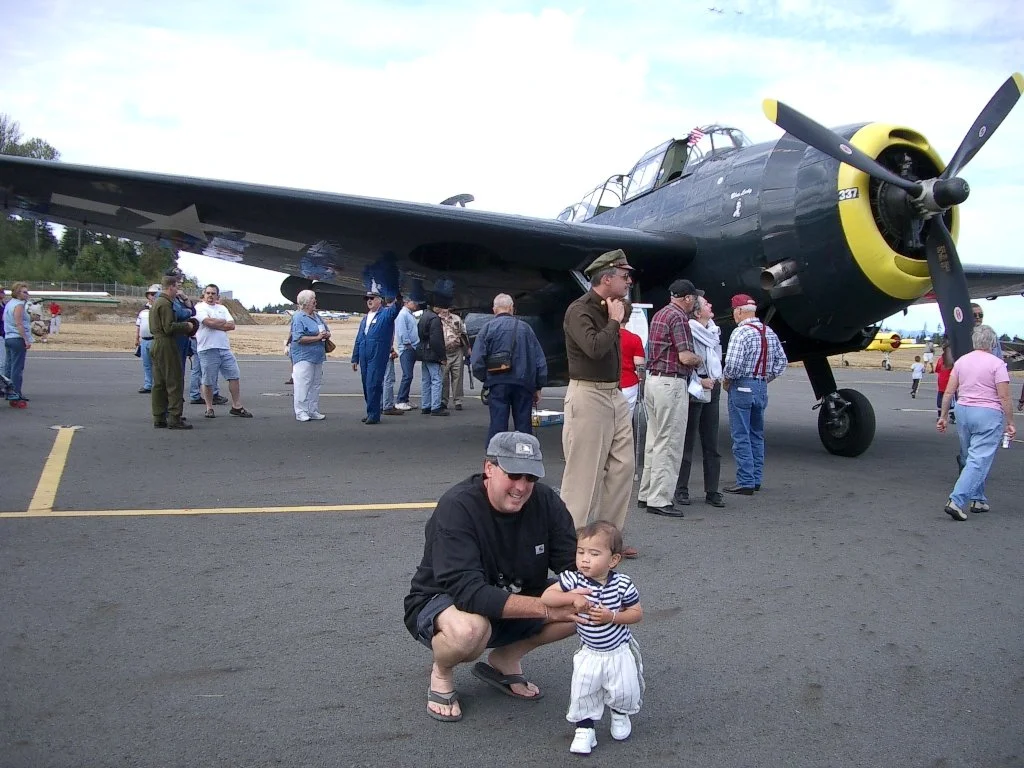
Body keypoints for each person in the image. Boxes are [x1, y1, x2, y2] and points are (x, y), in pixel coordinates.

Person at [403, 431, 582, 722]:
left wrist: (606, 591)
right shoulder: (458, 507)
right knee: (470, 630)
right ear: (489, 467)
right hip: (445, 602)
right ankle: (442, 672)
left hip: (513, 593)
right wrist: (548, 608)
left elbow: (572, 564)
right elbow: (469, 593)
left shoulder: (546, 501)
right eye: (513, 475)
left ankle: (506, 659)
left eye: (530, 477)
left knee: (589, 607)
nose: (521, 487)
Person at [542, 520, 644, 755]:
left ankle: (620, 713)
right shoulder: (573, 579)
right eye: (581, 552)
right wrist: (572, 598)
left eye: (594, 554)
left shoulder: (622, 584)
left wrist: (612, 616)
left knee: (624, 689)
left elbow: (636, 613)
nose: (585, 559)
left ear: (613, 560)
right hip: (590, 652)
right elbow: (547, 597)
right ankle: (585, 729)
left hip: (618, 651)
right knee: (584, 690)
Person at [560, 249, 636, 552]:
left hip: (614, 394)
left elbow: (625, 310)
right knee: (584, 473)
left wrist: (616, 312)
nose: (629, 281)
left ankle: (607, 539)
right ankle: (569, 541)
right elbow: (594, 348)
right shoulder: (579, 310)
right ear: (606, 278)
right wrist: (614, 321)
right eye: (624, 276)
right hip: (588, 394)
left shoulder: (611, 306)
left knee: (623, 467)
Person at [937, 324, 1015, 520]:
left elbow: (949, 391)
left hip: (963, 410)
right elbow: (1004, 396)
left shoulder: (961, 362)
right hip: (987, 413)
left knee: (969, 455)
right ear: (993, 343)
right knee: (979, 459)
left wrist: (943, 415)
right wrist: (1010, 421)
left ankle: (978, 498)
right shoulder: (997, 364)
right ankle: (956, 500)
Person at [638, 279, 702, 517]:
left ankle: (646, 493)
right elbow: (685, 356)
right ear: (687, 298)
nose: (695, 302)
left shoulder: (660, 314)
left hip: (653, 381)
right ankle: (660, 498)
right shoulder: (679, 318)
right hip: (671, 383)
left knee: (654, 441)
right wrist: (700, 359)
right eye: (694, 298)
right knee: (670, 442)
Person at [721, 293, 788, 494]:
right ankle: (756, 478)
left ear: (740, 311)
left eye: (734, 311)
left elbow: (733, 365)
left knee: (741, 435)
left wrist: (727, 380)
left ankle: (745, 480)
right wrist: (765, 378)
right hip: (760, 386)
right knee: (756, 435)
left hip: (742, 386)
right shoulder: (768, 332)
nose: (734, 315)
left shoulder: (740, 333)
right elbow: (781, 362)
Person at [470, 294, 548, 442]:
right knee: (524, 426)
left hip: (497, 382)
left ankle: (496, 453)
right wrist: (538, 386)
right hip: (523, 383)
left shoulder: (487, 328)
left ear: (494, 309)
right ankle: (523, 452)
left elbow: (477, 360)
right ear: (511, 308)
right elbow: (539, 359)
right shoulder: (525, 328)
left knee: (498, 425)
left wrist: (486, 379)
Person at [675, 295, 725, 508]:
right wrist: (699, 381)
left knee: (711, 441)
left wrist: (716, 379)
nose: (711, 305)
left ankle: (712, 490)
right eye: (706, 304)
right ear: (697, 312)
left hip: (713, 386)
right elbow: (684, 361)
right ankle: (681, 489)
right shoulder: (689, 331)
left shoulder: (713, 331)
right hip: (695, 386)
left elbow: (717, 358)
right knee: (687, 441)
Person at [194, 284, 252, 419]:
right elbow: (207, 322)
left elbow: (231, 325)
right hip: (207, 348)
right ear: (204, 295)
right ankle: (209, 407)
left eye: (213, 293)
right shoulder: (199, 308)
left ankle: (236, 406)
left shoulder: (222, 308)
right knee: (208, 379)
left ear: (217, 296)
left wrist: (215, 323)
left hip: (224, 348)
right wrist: (220, 323)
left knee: (234, 375)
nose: (210, 295)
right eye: (208, 293)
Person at [150, 275, 199, 429]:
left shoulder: (157, 302)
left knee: (159, 383)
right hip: (166, 343)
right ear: (171, 287)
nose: (177, 290)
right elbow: (168, 327)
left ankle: (159, 416)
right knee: (174, 381)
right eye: (176, 287)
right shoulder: (166, 303)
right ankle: (174, 417)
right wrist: (187, 326)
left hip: (156, 342)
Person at [351, 289, 402, 424]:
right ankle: (371, 411)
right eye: (367, 299)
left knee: (373, 384)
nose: (369, 301)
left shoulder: (385, 314)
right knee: (366, 384)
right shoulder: (365, 318)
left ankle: (374, 415)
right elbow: (359, 338)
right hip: (364, 353)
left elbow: (396, 308)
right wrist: (355, 358)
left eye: (372, 298)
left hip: (377, 353)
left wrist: (397, 294)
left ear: (380, 300)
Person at [289, 290, 330, 422]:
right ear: (306, 303)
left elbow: (327, 330)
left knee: (315, 384)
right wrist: (317, 337)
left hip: (318, 356)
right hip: (304, 356)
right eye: (313, 299)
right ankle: (301, 411)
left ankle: (313, 410)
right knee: (303, 384)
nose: (315, 302)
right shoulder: (298, 317)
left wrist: (326, 334)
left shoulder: (317, 316)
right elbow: (298, 338)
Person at [3, 282, 32, 407]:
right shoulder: (19, 305)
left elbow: (5, 319)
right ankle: (15, 393)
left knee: (9, 366)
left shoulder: (9, 303)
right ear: (17, 293)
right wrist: (26, 339)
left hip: (8, 337)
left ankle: (7, 390)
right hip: (17, 338)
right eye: (24, 292)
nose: (27, 294)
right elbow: (19, 323)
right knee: (17, 368)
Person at [437, 297, 469, 412]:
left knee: (458, 377)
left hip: (457, 351)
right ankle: (443, 401)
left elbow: (463, 333)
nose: (445, 309)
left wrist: (467, 348)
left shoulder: (456, 318)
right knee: (443, 378)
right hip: (444, 353)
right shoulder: (436, 320)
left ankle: (458, 401)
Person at [416, 300, 447, 416]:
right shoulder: (435, 319)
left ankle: (426, 405)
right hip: (432, 353)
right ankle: (435, 406)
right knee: (436, 380)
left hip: (423, 351)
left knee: (426, 380)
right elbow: (436, 340)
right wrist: (442, 356)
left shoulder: (424, 317)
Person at [618, 300, 645, 414]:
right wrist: (641, 382)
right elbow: (640, 366)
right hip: (629, 384)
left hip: (607, 384)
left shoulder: (604, 337)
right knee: (626, 418)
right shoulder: (635, 339)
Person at [394, 296, 420, 410]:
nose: (416, 304)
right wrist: (407, 344)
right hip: (407, 349)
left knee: (409, 375)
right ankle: (400, 400)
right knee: (407, 375)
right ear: (406, 302)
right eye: (414, 302)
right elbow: (402, 331)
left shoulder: (409, 314)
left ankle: (405, 399)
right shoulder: (403, 315)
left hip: (412, 347)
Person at [135, 284, 159, 394]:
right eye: (151, 294)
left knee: (157, 364)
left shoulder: (160, 309)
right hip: (144, 340)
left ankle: (157, 384)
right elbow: (138, 326)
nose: (153, 296)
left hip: (155, 339)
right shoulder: (143, 311)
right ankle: (148, 384)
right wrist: (137, 339)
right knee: (147, 364)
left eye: (155, 294)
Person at [934, 340, 955, 423]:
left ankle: (952, 416)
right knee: (942, 401)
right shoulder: (942, 359)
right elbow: (938, 370)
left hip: (948, 384)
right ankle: (941, 416)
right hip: (943, 384)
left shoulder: (948, 360)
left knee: (949, 401)